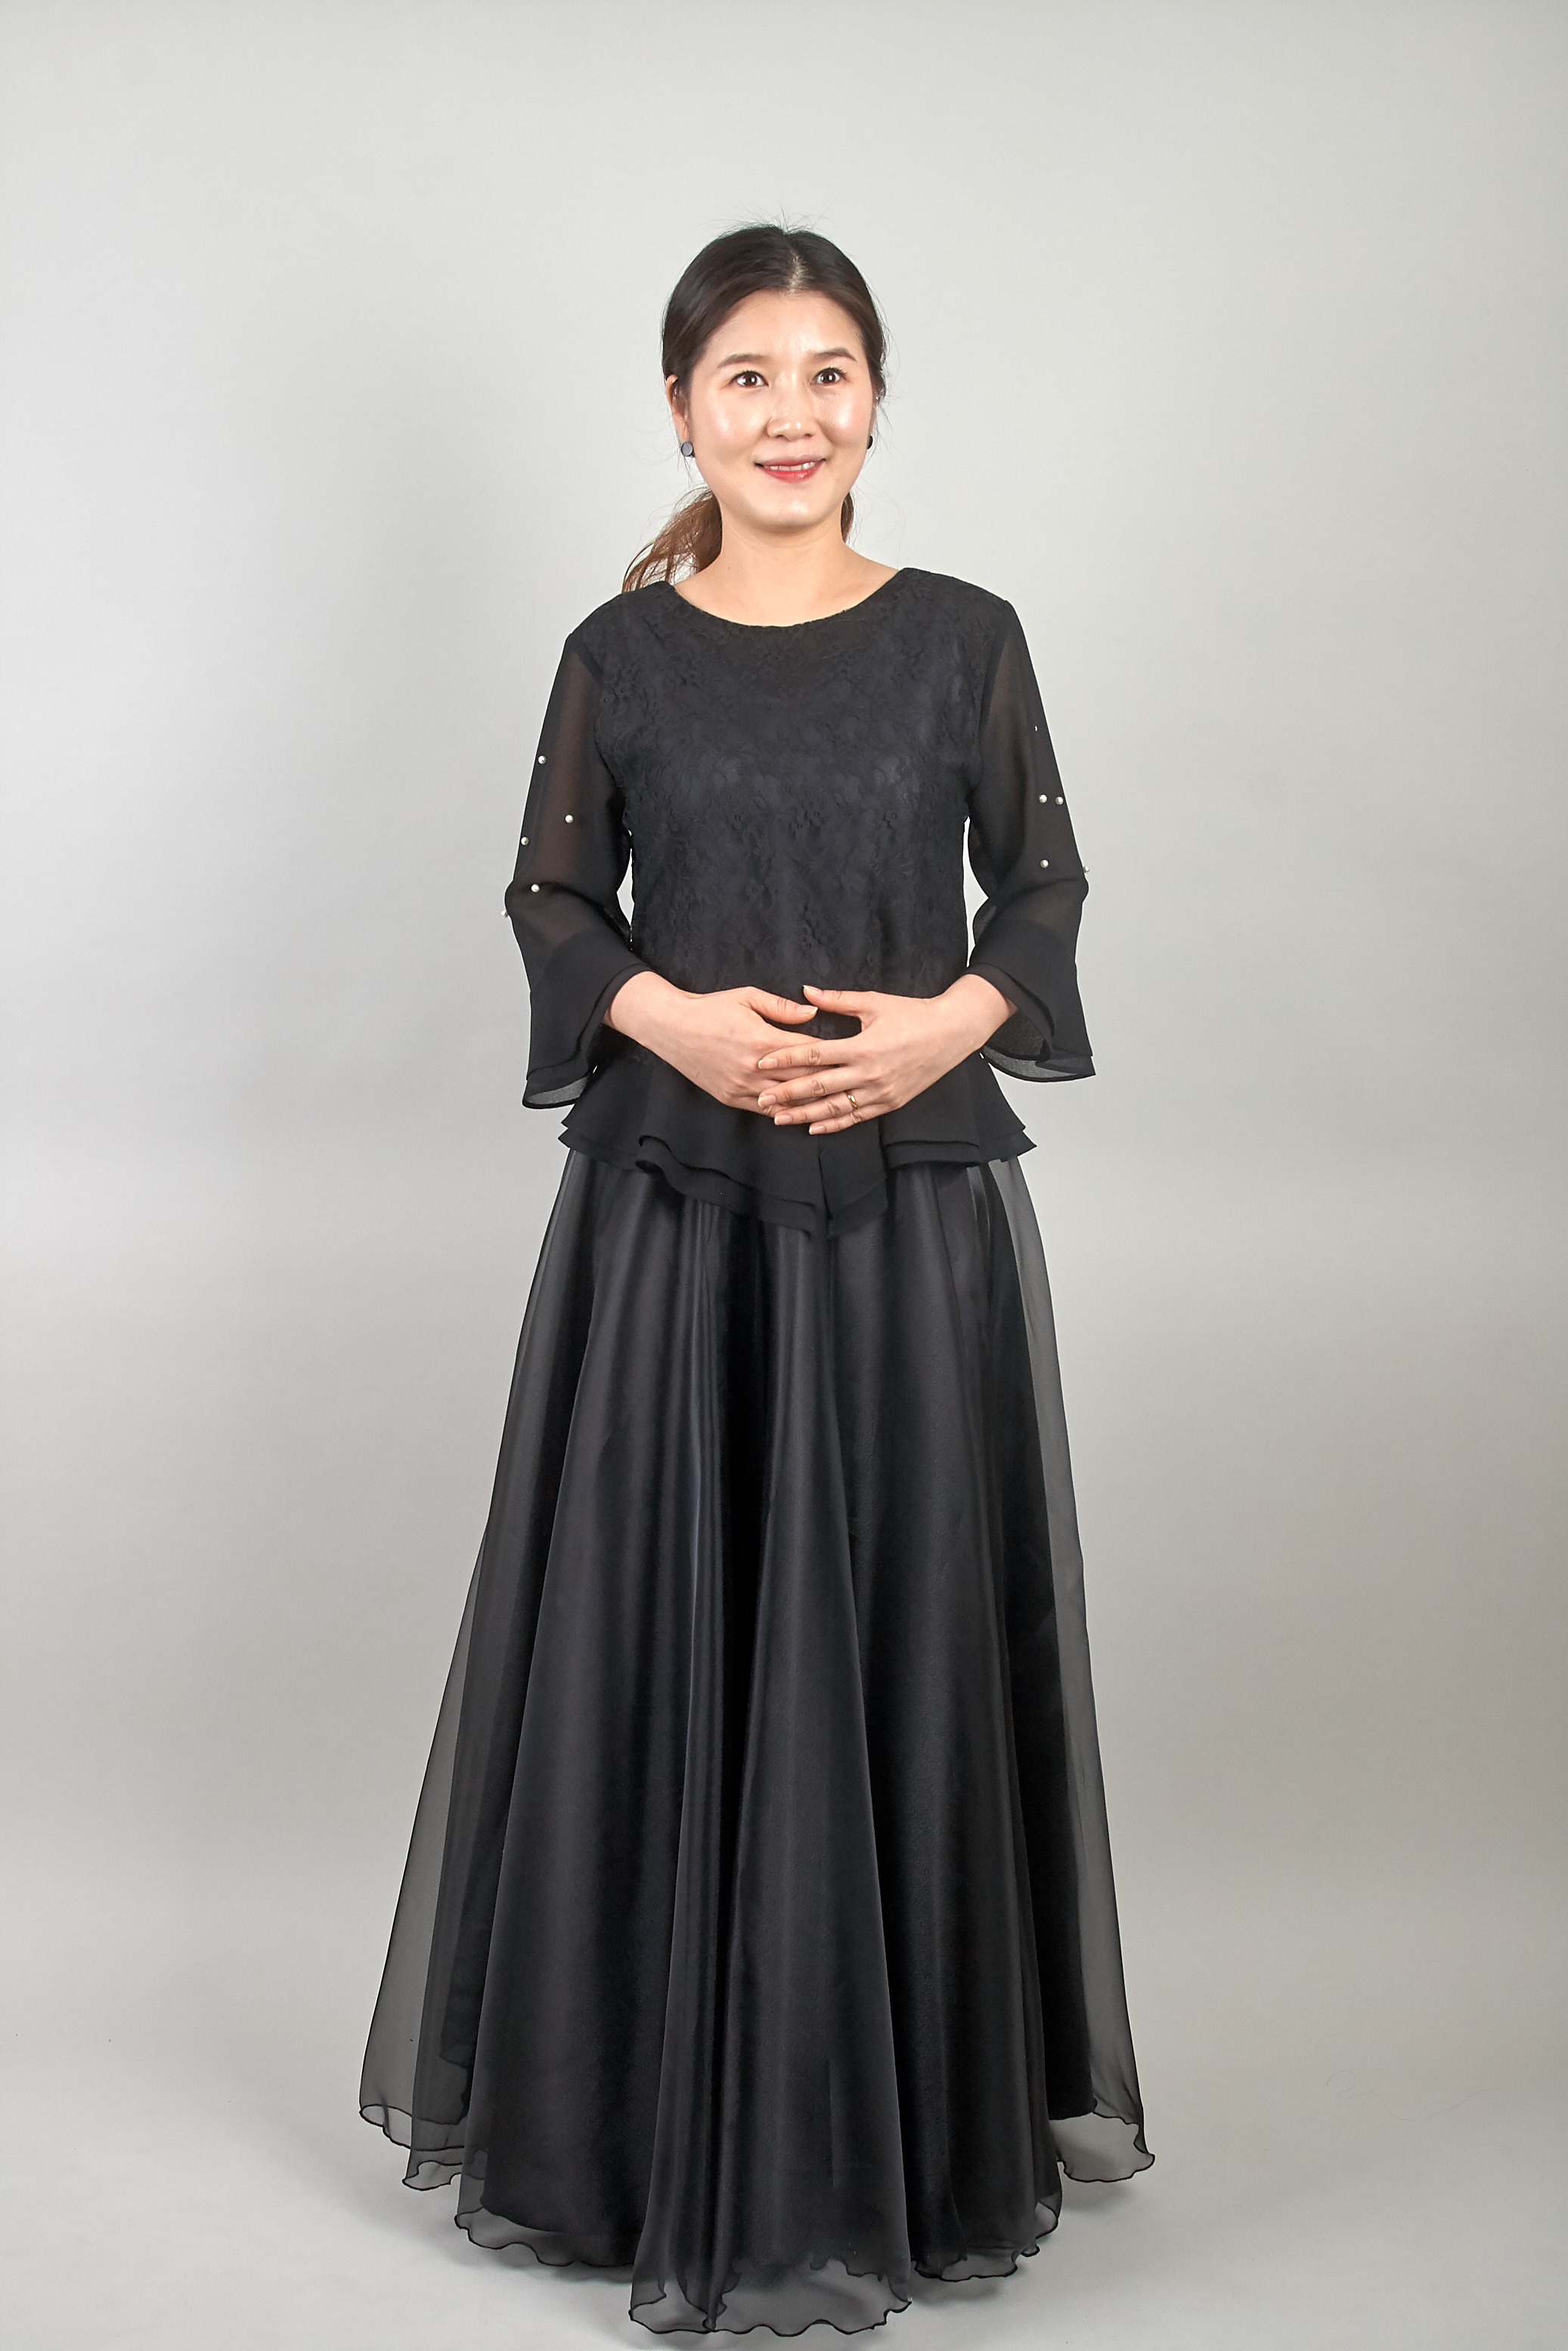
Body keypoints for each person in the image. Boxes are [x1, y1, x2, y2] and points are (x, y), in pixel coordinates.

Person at [361, 222, 1151, 2339]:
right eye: (747, 377)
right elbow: (551, 896)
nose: (790, 415)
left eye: (826, 374)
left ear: (873, 402)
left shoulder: (965, 636)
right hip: (675, 1217)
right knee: (660, 1627)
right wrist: (667, 1019)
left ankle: (908, 2134)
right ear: (681, 408)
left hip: (905, 1214)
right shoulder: (618, 654)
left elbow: (1045, 887)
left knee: (900, 1622)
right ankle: (637, 2135)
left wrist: (944, 1024)